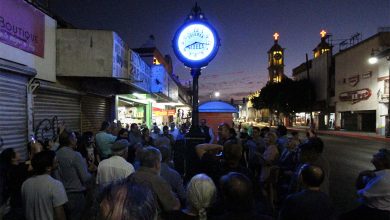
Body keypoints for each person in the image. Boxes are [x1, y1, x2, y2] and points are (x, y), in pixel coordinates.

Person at [128, 147, 180, 216]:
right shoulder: (157, 180)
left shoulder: (131, 176)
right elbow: (173, 207)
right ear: (157, 163)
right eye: (160, 161)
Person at [340, 148, 390, 220]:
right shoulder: (378, 172)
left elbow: (362, 193)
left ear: (383, 162)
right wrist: (361, 175)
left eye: (377, 155)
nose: (374, 155)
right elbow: (361, 186)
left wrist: (361, 176)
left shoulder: (383, 179)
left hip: (377, 213)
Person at [56, 129, 92, 220]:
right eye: (75, 138)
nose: (76, 140)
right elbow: (85, 177)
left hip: (62, 194)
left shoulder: (56, 154)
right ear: (71, 140)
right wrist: (92, 173)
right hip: (77, 195)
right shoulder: (75, 155)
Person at [22, 151, 67, 220]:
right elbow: (60, 215)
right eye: (55, 160)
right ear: (48, 167)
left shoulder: (25, 184)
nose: (58, 161)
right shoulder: (55, 185)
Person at [0, 148, 28, 220]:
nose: (19, 153)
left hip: (13, 204)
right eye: (16, 152)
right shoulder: (18, 169)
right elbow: (36, 164)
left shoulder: (10, 169)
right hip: (18, 204)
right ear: (13, 158)